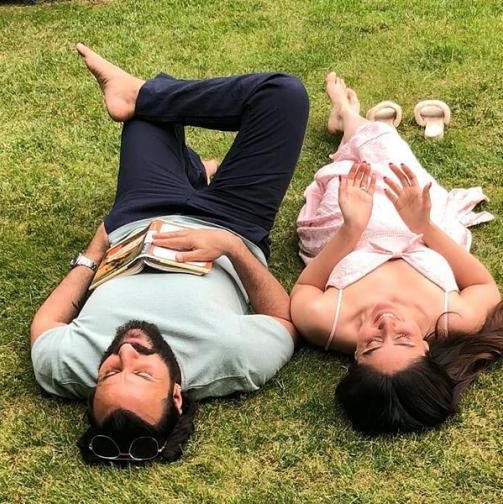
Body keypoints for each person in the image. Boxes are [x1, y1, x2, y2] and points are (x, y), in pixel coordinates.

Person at [29, 44, 309, 464]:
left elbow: (46, 325)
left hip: (140, 212)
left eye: (109, 372)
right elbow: (285, 320)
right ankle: (177, 147)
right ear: (176, 395)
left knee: (148, 116)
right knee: (283, 95)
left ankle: (156, 119)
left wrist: (94, 250)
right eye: (142, 372)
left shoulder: (66, 367)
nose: (126, 352)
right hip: (232, 221)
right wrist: (231, 248)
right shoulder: (232, 359)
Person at [290, 73, 503, 433]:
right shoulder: (453, 319)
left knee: (353, 176)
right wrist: (423, 224)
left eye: (372, 344)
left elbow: (305, 287)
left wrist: (352, 228)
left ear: (356, 359)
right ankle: (349, 118)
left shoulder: (326, 322)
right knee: (391, 156)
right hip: (419, 228)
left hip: (344, 232)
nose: (387, 323)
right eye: (403, 338)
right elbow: (482, 284)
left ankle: (349, 118)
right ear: (426, 350)